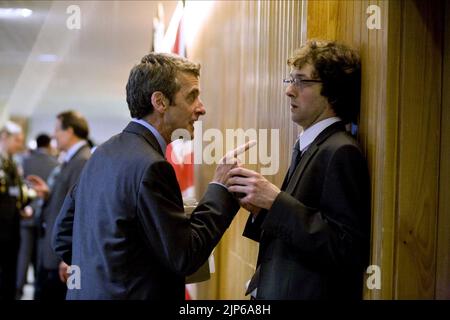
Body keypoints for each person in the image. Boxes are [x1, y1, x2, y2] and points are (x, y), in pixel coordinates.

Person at [51, 53, 249, 300]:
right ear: (160, 102)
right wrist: (219, 188)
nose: (201, 108)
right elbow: (184, 256)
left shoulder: (100, 154)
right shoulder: (153, 167)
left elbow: (62, 238)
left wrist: (107, 275)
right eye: (192, 96)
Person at [227, 40, 371, 300]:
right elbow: (300, 225)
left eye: (302, 82)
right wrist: (262, 209)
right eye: (291, 80)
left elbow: (346, 248)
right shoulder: (310, 145)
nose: (289, 91)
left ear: (332, 92)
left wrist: (275, 201)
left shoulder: (341, 151)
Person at [27, 111, 91, 300]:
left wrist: (68, 257)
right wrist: (49, 194)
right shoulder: (72, 159)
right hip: (53, 254)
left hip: (61, 258)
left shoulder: (82, 160)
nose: (54, 135)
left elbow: (80, 211)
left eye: (57, 130)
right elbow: (67, 199)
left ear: (69, 131)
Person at [15, 133, 58, 299]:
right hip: (43, 218)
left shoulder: (25, 162)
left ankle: (18, 290)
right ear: (48, 145)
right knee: (40, 258)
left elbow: (20, 189)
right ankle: (37, 291)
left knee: (22, 256)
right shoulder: (55, 164)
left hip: (25, 216)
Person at [0, 121, 26, 300]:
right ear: (4, 137)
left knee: (10, 272)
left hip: (12, 227)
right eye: (17, 140)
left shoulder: (13, 163)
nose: (20, 145)